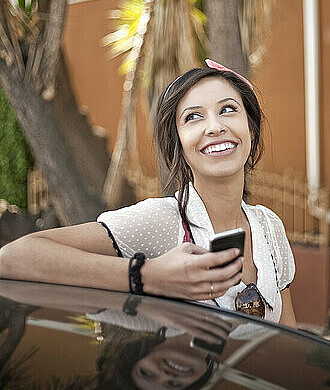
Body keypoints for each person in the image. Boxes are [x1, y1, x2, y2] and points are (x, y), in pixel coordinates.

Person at [0, 60, 296, 327]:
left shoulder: (269, 227)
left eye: (228, 110)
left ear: (251, 130)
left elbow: (288, 345)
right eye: (193, 117)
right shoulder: (162, 220)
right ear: (177, 144)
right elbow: (13, 258)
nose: (215, 127)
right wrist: (147, 275)